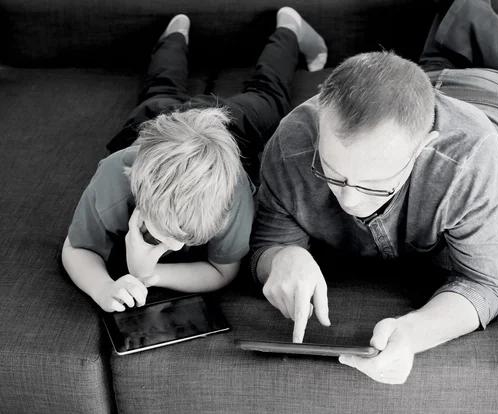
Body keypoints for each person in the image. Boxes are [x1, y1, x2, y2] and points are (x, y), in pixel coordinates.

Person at [249, 0, 498, 384]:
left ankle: (467, 11)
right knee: (429, 73)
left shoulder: (471, 159)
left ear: (423, 148)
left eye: (373, 183)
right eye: (332, 172)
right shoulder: (293, 142)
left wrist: (413, 333)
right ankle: (454, 32)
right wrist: (283, 256)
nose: (349, 200)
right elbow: (266, 243)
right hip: (412, 90)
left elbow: (486, 284)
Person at [62, 8, 328, 313]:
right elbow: (76, 248)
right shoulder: (112, 181)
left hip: (231, 128)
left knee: (270, 95)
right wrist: (102, 288)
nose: (174, 248)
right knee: (159, 88)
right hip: (154, 124)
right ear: (138, 197)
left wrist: (148, 274)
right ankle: (174, 34)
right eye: (160, 236)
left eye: (184, 239)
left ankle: (289, 28)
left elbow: (222, 271)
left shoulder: (235, 198)